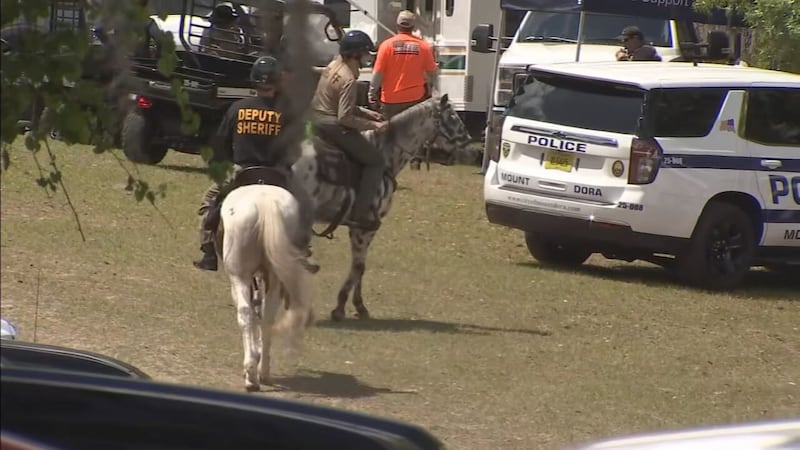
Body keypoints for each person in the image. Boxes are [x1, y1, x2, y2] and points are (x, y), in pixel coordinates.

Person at [193, 56, 317, 272]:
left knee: (209, 204)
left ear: (253, 81)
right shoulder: (287, 113)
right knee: (304, 204)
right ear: (277, 81)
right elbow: (295, 148)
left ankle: (209, 253)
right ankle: (302, 249)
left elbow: (220, 143)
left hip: (242, 172)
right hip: (278, 173)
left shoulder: (237, 108)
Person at [310, 30, 388, 231]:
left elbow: (338, 103)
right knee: (375, 161)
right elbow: (344, 118)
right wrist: (374, 126)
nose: (367, 57)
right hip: (332, 125)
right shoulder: (349, 80)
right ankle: (360, 215)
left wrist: (368, 113)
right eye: (364, 53)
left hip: (316, 118)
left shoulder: (334, 65)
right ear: (355, 54)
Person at [369, 10, 438, 171]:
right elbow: (433, 73)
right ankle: (415, 161)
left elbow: (377, 74)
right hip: (415, 97)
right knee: (415, 131)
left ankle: (389, 161)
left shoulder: (386, 46)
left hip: (390, 98)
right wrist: (432, 88)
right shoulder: (423, 46)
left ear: (397, 25)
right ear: (413, 27)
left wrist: (372, 93)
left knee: (390, 133)